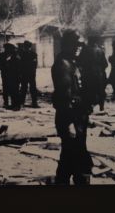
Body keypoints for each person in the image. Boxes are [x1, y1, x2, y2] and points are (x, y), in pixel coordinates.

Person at [51, 30, 93, 185]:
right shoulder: (63, 64)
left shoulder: (71, 62)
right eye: (74, 44)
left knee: (70, 154)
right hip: (70, 117)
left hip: (77, 116)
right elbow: (64, 96)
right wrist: (70, 123)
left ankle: (64, 180)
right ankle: (79, 180)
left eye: (79, 45)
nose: (77, 47)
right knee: (77, 153)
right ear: (66, 45)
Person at [78, 36, 108, 112]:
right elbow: (105, 64)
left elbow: (79, 61)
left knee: (88, 90)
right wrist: (100, 70)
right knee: (100, 90)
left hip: (88, 74)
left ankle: (89, 107)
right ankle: (101, 106)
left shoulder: (85, 50)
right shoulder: (100, 51)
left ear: (89, 41)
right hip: (99, 74)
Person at [0, 43, 21, 109]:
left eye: (9, 48)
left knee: (15, 90)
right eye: (6, 48)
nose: (7, 50)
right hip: (5, 75)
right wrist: (6, 61)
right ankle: (7, 103)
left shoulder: (16, 56)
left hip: (14, 76)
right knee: (6, 89)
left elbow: (18, 67)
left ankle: (16, 105)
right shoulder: (2, 55)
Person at [18, 40, 39, 108]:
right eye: (25, 47)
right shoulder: (22, 54)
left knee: (32, 88)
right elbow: (20, 65)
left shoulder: (33, 54)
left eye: (27, 47)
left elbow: (35, 65)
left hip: (30, 73)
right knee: (24, 88)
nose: (26, 48)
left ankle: (34, 102)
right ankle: (22, 102)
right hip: (25, 73)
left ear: (29, 47)